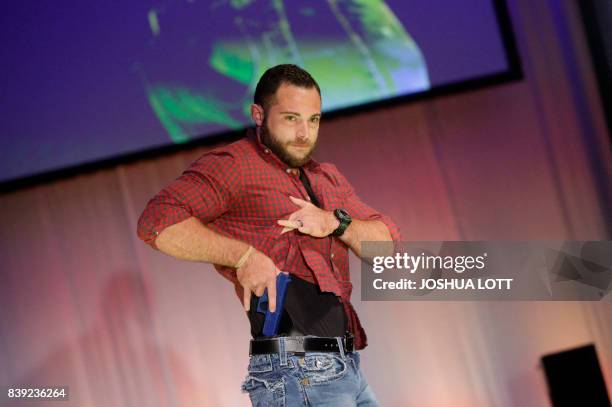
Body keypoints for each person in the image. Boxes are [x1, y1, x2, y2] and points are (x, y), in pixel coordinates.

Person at [137, 64, 401, 406]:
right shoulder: (234, 164)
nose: (305, 133)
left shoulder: (326, 177)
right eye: (291, 118)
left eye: (314, 120)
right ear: (258, 114)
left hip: (347, 367)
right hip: (296, 368)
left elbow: (387, 248)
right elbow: (156, 221)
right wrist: (242, 257)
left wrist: (337, 224)